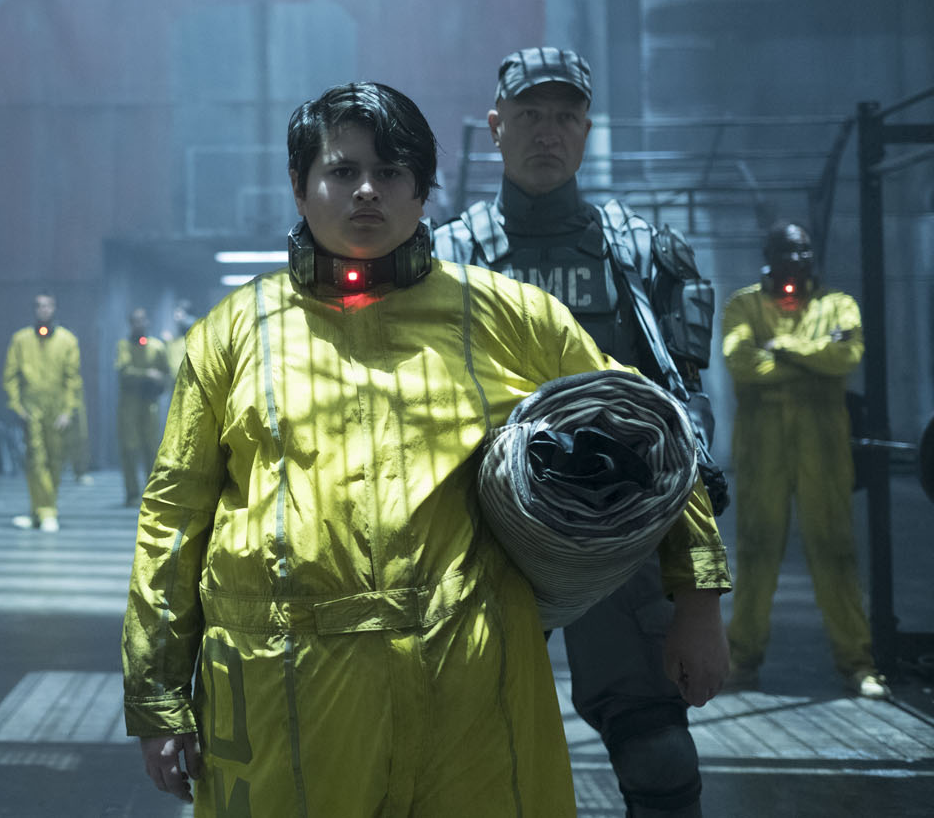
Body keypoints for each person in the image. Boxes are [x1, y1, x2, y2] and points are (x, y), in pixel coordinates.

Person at [123, 82, 729, 817]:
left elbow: (652, 427)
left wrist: (698, 601)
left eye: (391, 171)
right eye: (343, 171)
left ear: (422, 190)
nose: (367, 190)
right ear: (299, 186)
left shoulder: (506, 316)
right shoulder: (232, 335)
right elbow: (174, 516)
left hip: (470, 686)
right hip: (287, 689)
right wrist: (157, 696)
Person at [432, 47, 725, 817]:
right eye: (529, 114)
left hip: (613, 537)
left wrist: (700, 601)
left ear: (587, 131)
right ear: (496, 126)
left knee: (658, 751)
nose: (547, 132)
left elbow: (681, 435)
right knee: (457, 760)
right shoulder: (442, 260)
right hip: (479, 540)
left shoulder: (640, 255)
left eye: (565, 116)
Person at [721, 221, 888, 698]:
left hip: (822, 446)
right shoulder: (742, 305)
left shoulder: (839, 305)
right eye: (786, 251)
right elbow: (740, 362)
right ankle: (741, 660)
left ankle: (857, 663)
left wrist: (784, 347)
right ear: (768, 256)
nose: (796, 260)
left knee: (835, 549)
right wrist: (814, 359)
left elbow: (847, 355)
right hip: (763, 446)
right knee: (756, 550)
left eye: (803, 251)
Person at [3, 292, 83, 532]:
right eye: (39, 305)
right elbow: (10, 375)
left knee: (55, 460)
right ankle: (45, 511)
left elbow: (72, 379)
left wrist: (68, 410)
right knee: (35, 460)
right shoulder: (21, 340)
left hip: (57, 408)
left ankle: (39, 512)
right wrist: (16, 406)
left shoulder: (67, 341)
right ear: (34, 309)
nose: (43, 310)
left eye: (48, 305)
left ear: (55, 308)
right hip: (31, 408)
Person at [114, 308, 168, 507]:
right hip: (129, 405)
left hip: (149, 403)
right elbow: (124, 372)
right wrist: (148, 375)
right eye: (135, 321)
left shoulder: (157, 347)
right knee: (129, 448)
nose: (139, 324)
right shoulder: (124, 346)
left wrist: (158, 382)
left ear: (148, 322)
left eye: (142, 320)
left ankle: (153, 492)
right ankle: (132, 493)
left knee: (151, 448)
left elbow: (166, 374)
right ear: (130, 324)